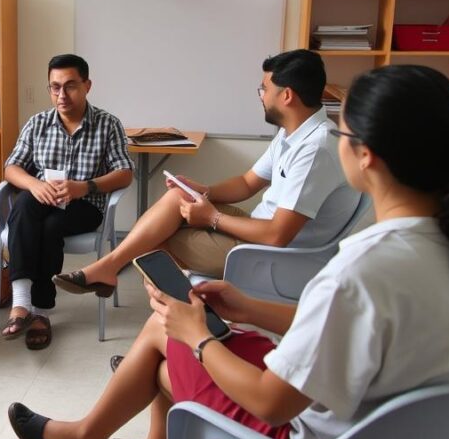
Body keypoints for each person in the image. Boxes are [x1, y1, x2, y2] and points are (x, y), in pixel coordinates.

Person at [7, 64, 449, 439]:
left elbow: (272, 403)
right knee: (172, 336)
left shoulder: (362, 270)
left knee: (167, 336)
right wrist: (249, 309)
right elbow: (361, 328)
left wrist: (200, 338)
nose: (333, 135)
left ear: (366, 155)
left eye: (342, 130)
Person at [54, 49, 359, 295]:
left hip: (272, 253)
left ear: (287, 96)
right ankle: (113, 272)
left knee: (155, 244)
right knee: (176, 200)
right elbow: (247, 182)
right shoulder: (294, 132)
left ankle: (180, 334)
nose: (261, 95)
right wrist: (202, 191)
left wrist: (212, 217)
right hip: (260, 228)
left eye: (264, 89)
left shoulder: (315, 149)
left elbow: (278, 235)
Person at [0, 53, 134, 349]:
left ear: (87, 85)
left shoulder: (107, 124)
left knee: (50, 226)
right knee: (24, 204)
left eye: (70, 86)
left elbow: (125, 173)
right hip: (43, 199)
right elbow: (11, 167)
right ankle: (24, 305)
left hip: (84, 206)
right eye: (54, 87)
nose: (62, 95)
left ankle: (41, 312)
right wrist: (35, 184)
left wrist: (83, 187)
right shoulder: (38, 124)